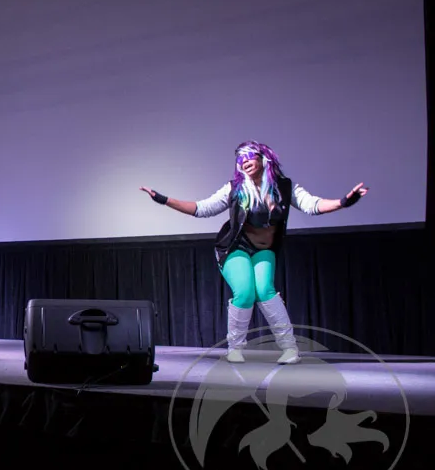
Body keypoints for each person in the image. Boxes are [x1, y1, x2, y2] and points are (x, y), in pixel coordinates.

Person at [141, 140, 367, 364]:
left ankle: (290, 349)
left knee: (265, 290)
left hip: (264, 249)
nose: (244, 161)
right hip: (235, 248)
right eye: (240, 158)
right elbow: (201, 208)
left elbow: (313, 205)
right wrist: (163, 199)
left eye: (249, 156)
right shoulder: (235, 189)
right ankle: (235, 348)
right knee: (245, 292)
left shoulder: (285, 187)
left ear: (263, 158)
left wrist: (345, 202)